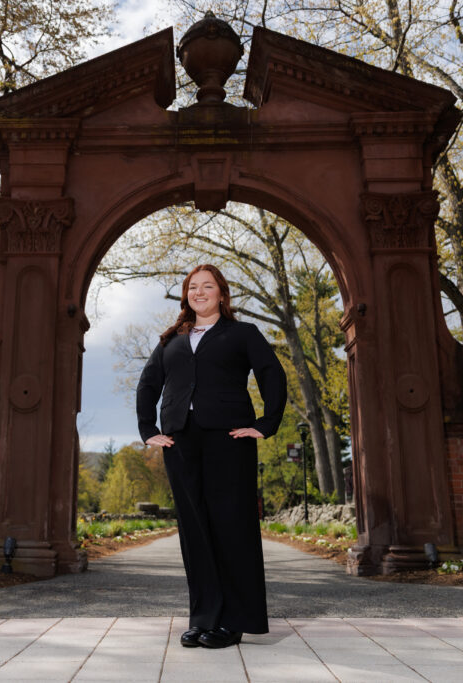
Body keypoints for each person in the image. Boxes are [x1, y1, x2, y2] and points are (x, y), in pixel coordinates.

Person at [136, 264, 287, 649]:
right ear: (187, 295)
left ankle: (234, 620)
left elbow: (272, 373)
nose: (199, 292)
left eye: (207, 286)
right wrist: (149, 430)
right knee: (194, 531)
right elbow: (149, 383)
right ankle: (204, 618)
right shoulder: (171, 339)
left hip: (229, 439)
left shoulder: (242, 334)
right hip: (180, 442)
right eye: (192, 287)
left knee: (231, 526)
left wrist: (265, 423)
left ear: (222, 293)